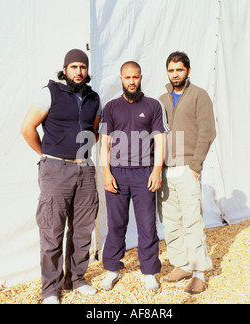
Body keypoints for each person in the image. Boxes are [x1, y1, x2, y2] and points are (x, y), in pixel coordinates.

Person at [20, 49, 102, 304]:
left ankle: (76, 279)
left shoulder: (93, 97)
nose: (79, 71)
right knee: (52, 231)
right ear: (65, 68)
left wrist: (82, 154)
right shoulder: (50, 92)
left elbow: (94, 131)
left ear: (87, 71)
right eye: (74, 66)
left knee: (82, 230)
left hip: (85, 170)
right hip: (56, 170)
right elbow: (27, 128)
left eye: (83, 67)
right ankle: (51, 290)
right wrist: (47, 153)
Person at [99, 61, 169, 293]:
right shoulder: (110, 107)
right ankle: (112, 268)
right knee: (116, 224)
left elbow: (160, 140)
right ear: (121, 78)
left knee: (147, 224)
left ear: (141, 77)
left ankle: (149, 271)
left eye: (136, 77)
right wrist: (106, 173)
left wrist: (157, 170)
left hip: (144, 173)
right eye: (127, 77)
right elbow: (105, 143)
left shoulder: (152, 106)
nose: (132, 81)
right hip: (117, 173)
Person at [158, 52, 216, 294]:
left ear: (188, 71)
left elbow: (208, 131)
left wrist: (195, 166)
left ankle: (199, 273)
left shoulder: (199, 96)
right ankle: (182, 264)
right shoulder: (161, 99)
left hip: (187, 169)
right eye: (171, 70)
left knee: (192, 220)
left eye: (179, 70)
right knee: (171, 222)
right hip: (165, 170)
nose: (175, 74)